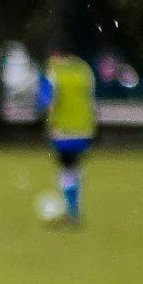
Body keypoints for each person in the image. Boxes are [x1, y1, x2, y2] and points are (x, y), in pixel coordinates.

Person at [36, 48, 97, 224]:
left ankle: (72, 211)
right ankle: (73, 209)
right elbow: (91, 97)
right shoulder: (83, 69)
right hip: (85, 129)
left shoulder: (53, 71)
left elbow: (44, 100)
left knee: (66, 170)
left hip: (63, 131)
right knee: (75, 169)